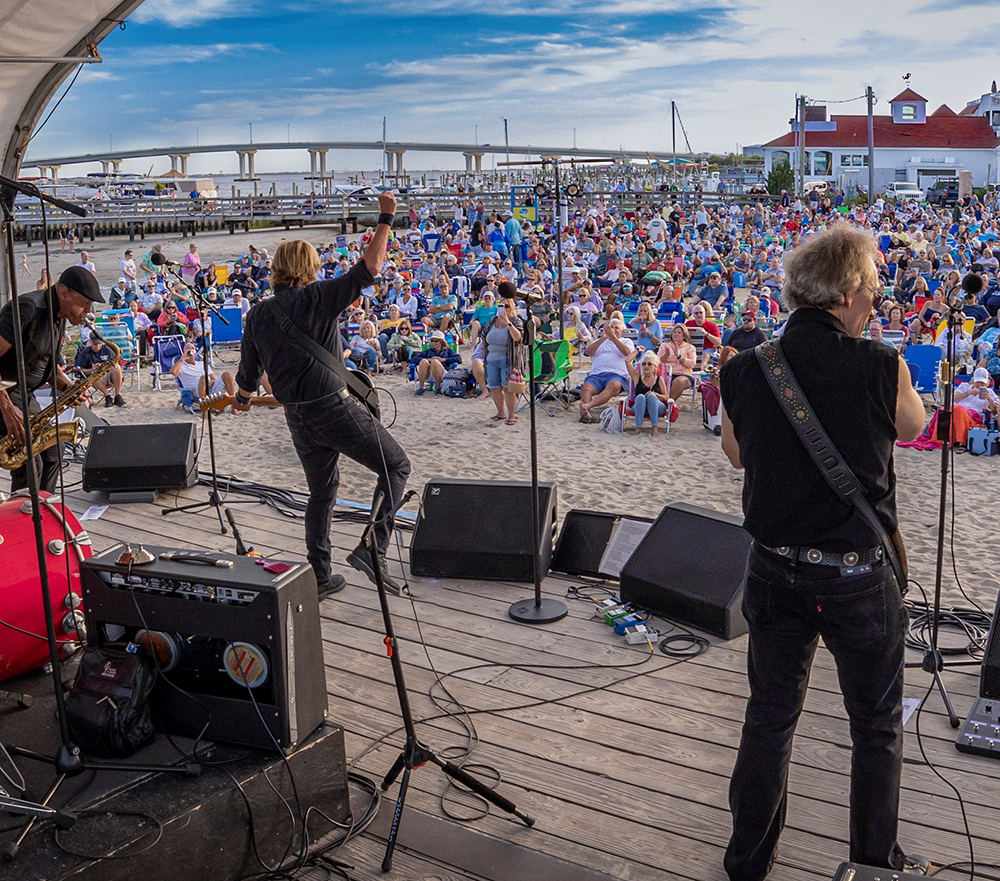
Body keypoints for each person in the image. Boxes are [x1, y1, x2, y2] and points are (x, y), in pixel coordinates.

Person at [719, 225, 926, 881]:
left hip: (773, 567)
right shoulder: (879, 364)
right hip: (856, 578)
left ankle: (748, 860)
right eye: (870, 285)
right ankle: (872, 861)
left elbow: (737, 453)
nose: (876, 299)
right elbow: (914, 427)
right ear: (843, 291)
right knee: (876, 725)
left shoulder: (745, 369)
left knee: (769, 718)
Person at [233, 192, 411, 599]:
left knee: (321, 494)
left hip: (297, 419)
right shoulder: (318, 296)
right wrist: (386, 215)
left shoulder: (259, 314)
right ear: (308, 269)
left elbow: (248, 376)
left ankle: (321, 575)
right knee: (396, 467)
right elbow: (371, 266)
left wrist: (242, 400)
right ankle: (373, 546)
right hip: (333, 409)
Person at [0, 266, 104, 493]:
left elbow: (48, 365)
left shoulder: (60, 316)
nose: (88, 310)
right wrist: (7, 409)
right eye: (85, 303)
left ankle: (44, 511)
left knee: (54, 453)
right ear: (64, 292)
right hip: (4, 394)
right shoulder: (28, 308)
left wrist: (68, 387)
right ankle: (27, 519)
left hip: (24, 394)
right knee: (30, 462)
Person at [481, 284, 525, 425]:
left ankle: (511, 415)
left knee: (508, 388)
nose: (504, 309)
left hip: (508, 359)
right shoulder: (493, 321)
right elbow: (484, 336)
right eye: (501, 306)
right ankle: (501, 412)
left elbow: (518, 338)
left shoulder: (515, 321)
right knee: (494, 387)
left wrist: (508, 324)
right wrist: (483, 350)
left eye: (506, 306)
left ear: (511, 307)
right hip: (491, 358)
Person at [579, 317, 634, 423]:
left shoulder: (626, 341)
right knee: (586, 388)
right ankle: (586, 414)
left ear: (622, 331)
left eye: (616, 328)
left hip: (617, 375)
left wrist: (613, 338)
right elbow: (588, 352)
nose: (613, 329)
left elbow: (627, 353)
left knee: (613, 385)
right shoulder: (599, 341)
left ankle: (587, 406)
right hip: (597, 375)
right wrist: (603, 339)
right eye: (611, 327)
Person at [625, 349, 670, 435]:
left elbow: (666, 397)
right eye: (644, 364)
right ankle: (638, 428)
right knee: (640, 397)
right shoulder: (637, 378)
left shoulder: (659, 379)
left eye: (649, 364)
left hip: (657, 407)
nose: (646, 366)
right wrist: (637, 351)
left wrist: (654, 394)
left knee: (651, 397)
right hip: (640, 407)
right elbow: (627, 361)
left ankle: (655, 428)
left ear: (655, 366)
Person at [170, 340, 236, 399]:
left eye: (192, 348)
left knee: (227, 375)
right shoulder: (181, 365)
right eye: (188, 349)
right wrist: (183, 358)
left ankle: (233, 403)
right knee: (203, 378)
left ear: (195, 352)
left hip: (210, 388)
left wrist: (209, 383)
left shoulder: (202, 364)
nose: (190, 350)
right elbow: (173, 372)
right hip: (195, 391)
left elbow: (213, 379)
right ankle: (205, 407)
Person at [75, 334, 125, 408]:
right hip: (96, 378)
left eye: (99, 344)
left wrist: (106, 366)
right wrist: (92, 369)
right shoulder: (85, 353)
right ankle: (107, 396)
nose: (97, 347)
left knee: (117, 367)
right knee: (94, 374)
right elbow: (79, 369)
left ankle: (118, 395)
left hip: (109, 375)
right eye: (95, 344)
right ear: (90, 342)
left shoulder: (107, 350)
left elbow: (116, 363)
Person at [656, 323, 698, 399]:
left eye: (679, 333)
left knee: (678, 381)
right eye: (674, 332)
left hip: (684, 374)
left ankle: (668, 403)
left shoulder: (690, 347)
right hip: (667, 373)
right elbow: (658, 362)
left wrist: (679, 357)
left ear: (684, 336)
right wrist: (666, 355)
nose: (676, 334)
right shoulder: (665, 345)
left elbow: (692, 364)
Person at [412, 330, 461, 395]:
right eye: (432, 341)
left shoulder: (447, 351)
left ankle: (438, 387)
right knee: (424, 361)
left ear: (441, 342)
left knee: (435, 362)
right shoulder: (428, 351)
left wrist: (443, 360)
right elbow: (414, 359)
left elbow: (459, 359)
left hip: (443, 374)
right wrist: (429, 360)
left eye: (436, 341)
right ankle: (421, 388)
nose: (434, 342)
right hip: (429, 374)